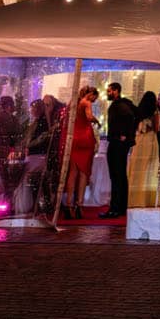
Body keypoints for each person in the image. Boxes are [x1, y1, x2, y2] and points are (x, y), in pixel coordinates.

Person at [58, 85, 99, 220]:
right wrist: (96, 121)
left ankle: (69, 204)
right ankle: (79, 205)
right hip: (85, 139)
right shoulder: (86, 102)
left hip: (73, 139)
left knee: (72, 172)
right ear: (90, 94)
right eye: (94, 97)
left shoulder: (72, 103)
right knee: (83, 173)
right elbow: (89, 117)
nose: (93, 100)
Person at [103, 82, 137, 217]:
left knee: (117, 175)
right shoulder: (121, 105)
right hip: (118, 142)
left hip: (118, 143)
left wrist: (124, 134)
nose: (108, 93)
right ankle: (119, 207)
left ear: (116, 91)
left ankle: (116, 208)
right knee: (119, 175)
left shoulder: (121, 105)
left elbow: (129, 118)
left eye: (110, 91)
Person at [125, 92, 160, 208]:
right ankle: (146, 198)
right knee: (148, 169)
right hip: (150, 140)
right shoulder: (155, 112)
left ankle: (133, 197)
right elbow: (157, 128)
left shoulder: (138, 112)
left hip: (139, 140)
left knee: (137, 167)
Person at [0, 96, 25, 208]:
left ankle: (7, 202)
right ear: (9, 106)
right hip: (6, 151)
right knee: (8, 179)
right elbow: (16, 136)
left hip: (2, 151)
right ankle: (8, 203)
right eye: (12, 104)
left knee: (6, 178)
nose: (14, 107)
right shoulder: (8, 119)